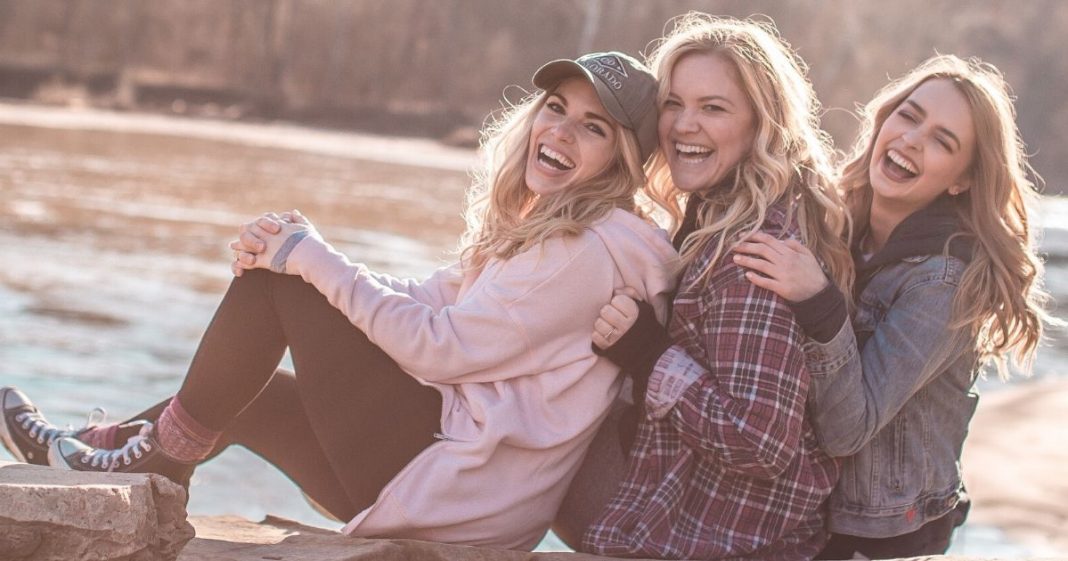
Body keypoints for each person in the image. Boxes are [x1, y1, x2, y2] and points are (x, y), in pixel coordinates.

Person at [0, 51, 679, 550]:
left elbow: (440, 348)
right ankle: (108, 452)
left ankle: (122, 459)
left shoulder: (585, 250)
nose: (559, 131)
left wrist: (305, 260)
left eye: (593, 128)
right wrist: (308, 255)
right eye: (556, 109)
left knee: (278, 287)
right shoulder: (551, 229)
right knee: (253, 392)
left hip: (454, 487)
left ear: (623, 159)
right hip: (447, 474)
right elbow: (428, 297)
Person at [731, 54, 1056, 559]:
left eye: (942, 142)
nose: (911, 140)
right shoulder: (837, 225)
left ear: (961, 180)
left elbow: (846, 430)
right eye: (910, 115)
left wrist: (818, 301)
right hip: (807, 513)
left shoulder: (943, 282)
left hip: (880, 538)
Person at [557, 14, 854, 560]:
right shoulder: (714, 214)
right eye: (673, 103)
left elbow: (761, 442)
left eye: (713, 108)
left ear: (760, 125)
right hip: (684, 507)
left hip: (717, 538)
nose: (682, 126)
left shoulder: (752, 253)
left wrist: (650, 356)